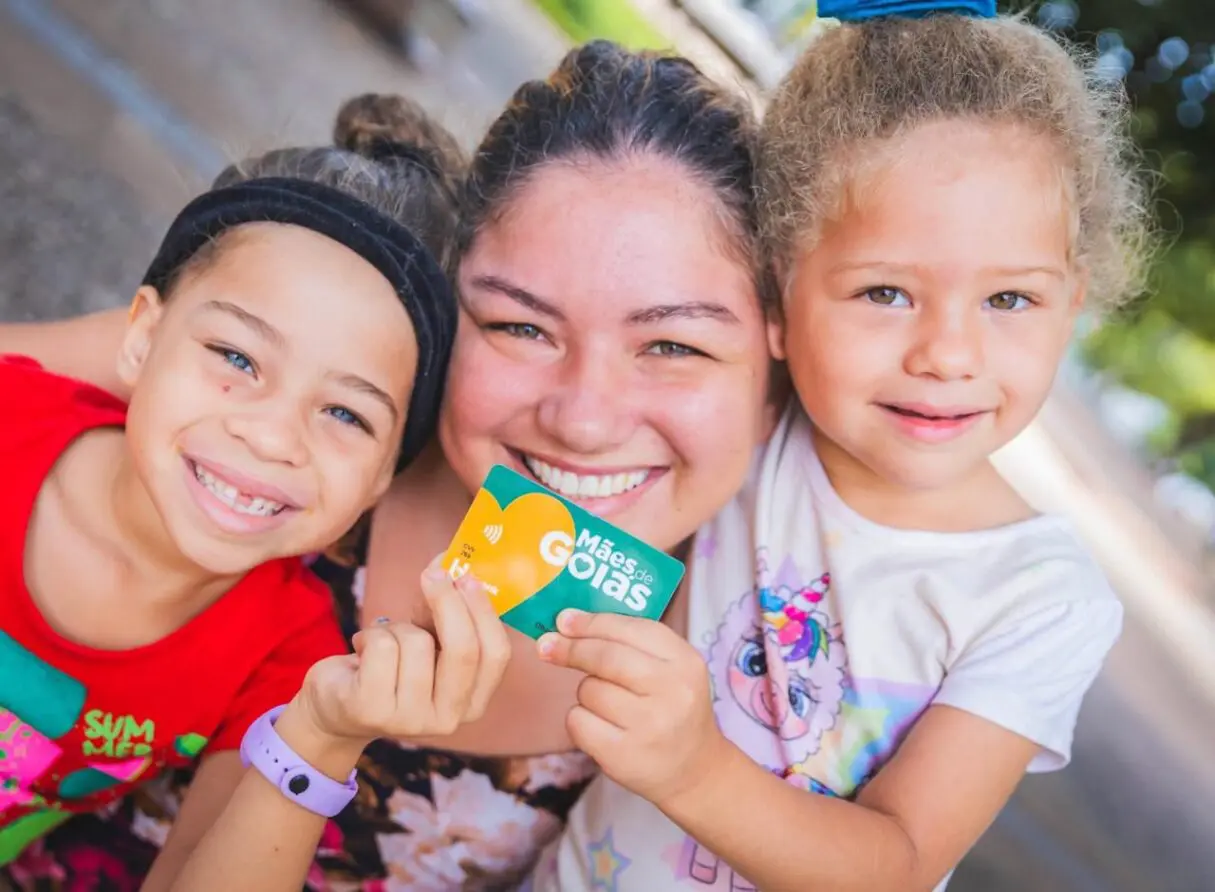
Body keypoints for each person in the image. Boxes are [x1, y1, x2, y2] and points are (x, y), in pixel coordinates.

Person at [0, 43, 776, 890]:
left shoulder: (779, 673)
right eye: (520, 327)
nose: (583, 421)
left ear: (778, 372)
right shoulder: (312, 376)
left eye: (672, 344)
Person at [523, 5, 1154, 890]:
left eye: (1008, 300)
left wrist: (692, 770)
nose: (947, 354)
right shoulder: (750, 426)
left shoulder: (1039, 602)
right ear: (780, 299)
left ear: (1072, 302)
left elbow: (895, 863)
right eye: (886, 292)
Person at [0, 94, 509, 889]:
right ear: (140, 335)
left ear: (381, 479)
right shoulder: (10, 420)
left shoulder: (292, 665)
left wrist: (324, 741)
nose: (272, 437)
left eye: (345, 412)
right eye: (237, 358)